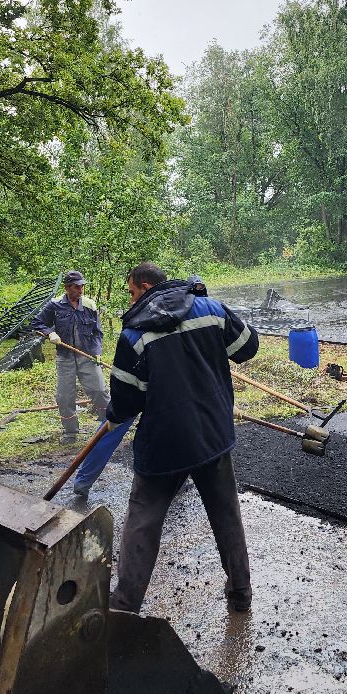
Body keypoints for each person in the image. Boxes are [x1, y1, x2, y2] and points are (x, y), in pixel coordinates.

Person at [106, 263, 259, 613]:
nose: (131, 299)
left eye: (131, 292)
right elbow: (248, 347)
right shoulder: (210, 309)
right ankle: (240, 593)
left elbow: (128, 401)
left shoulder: (134, 335)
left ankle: (124, 606)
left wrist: (114, 415)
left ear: (144, 288)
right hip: (212, 435)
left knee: (143, 520)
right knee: (226, 515)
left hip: (164, 443)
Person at [31, 270, 108, 441]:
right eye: (77, 287)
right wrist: (49, 333)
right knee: (65, 396)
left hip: (87, 356)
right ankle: (71, 432)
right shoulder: (55, 305)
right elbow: (37, 322)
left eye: (82, 286)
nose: (81, 290)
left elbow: (97, 332)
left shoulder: (89, 305)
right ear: (67, 288)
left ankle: (108, 426)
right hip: (65, 358)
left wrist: (96, 353)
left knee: (100, 391)